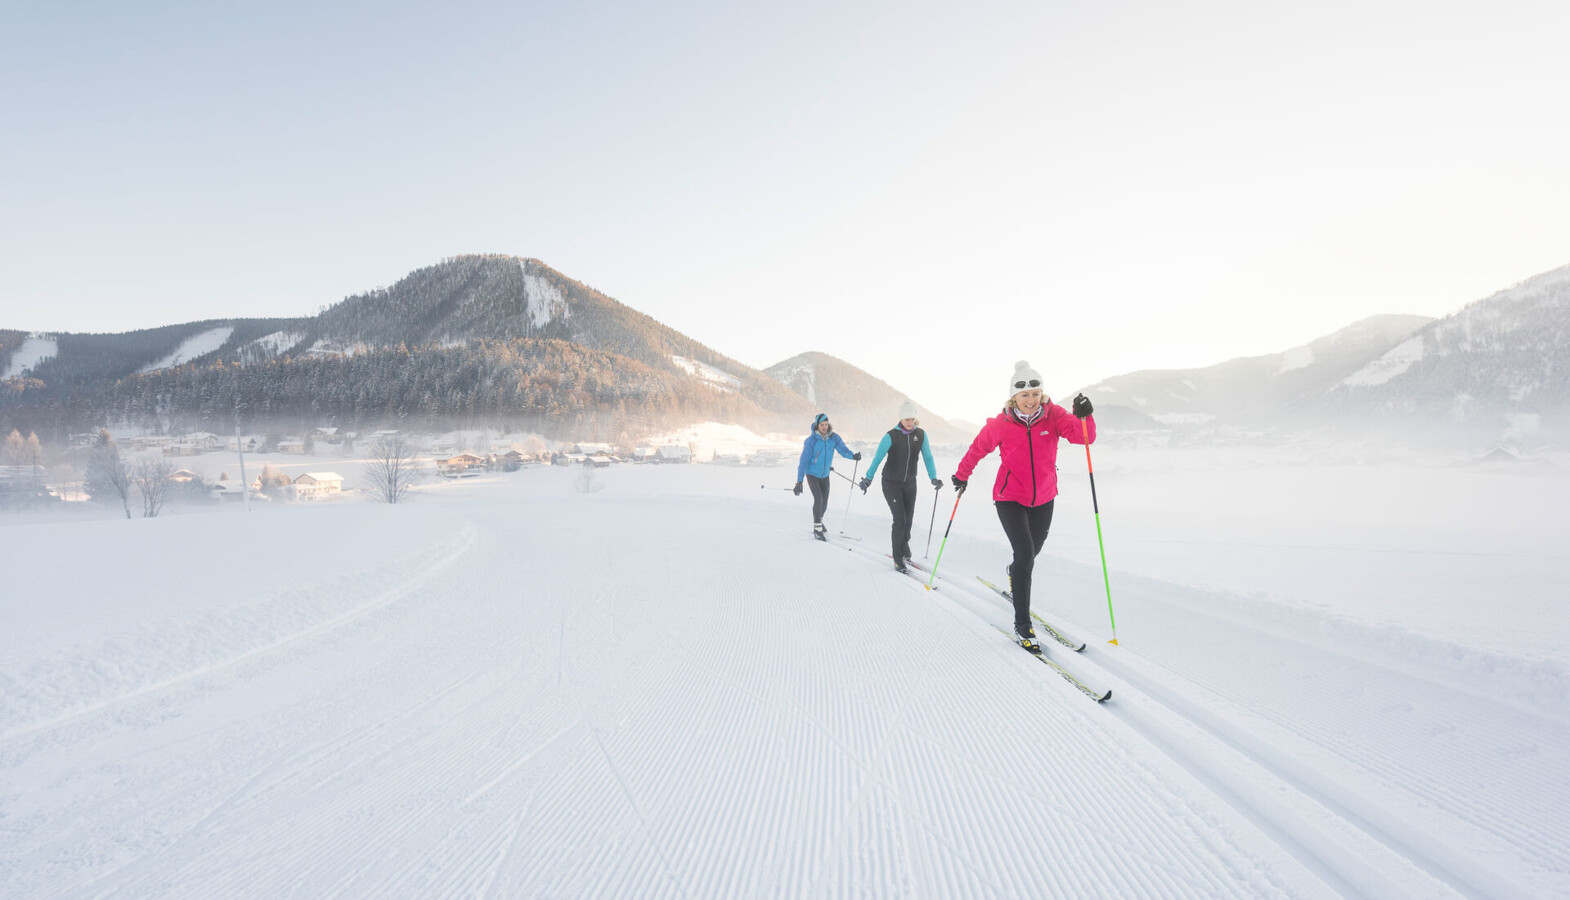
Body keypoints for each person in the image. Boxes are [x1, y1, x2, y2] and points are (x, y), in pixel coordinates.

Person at [951, 361, 1095, 651]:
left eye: (1035, 394)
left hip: (1044, 497)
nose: (1031, 401)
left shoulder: (1054, 416)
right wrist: (960, 475)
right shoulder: (1000, 424)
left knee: (1029, 555)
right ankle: (1022, 622)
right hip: (1009, 498)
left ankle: (1014, 570)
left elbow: (1085, 437)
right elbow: (977, 449)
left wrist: (1086, 416)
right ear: (1013, 397)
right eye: (1024, 395)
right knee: (1026, 553)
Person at [858, 399, 943, 573]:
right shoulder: (890, 436)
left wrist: (933, 477)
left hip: (911, 484)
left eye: (912, 419)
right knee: (900, 520)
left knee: (909, 520)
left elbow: (927, 457)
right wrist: (868, 478)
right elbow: (878, 458)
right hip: (891, 484)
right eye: (906, 420)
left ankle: (904, 548)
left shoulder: (921, 434)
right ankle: (898, 557)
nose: (910, 423)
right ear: (900, 419)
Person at [795, 413, 860, 540]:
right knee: (818, 499)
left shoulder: (834, 438)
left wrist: (853, 456)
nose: (824, 427)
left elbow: (843, 450)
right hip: (812, 474)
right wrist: (799, 481)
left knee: (824, 503)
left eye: (826, 424)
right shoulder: (811, 441)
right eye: (821, 425)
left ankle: (819, 519)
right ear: (816, 426)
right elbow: (803, 461)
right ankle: (817, 528)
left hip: (825, 474)